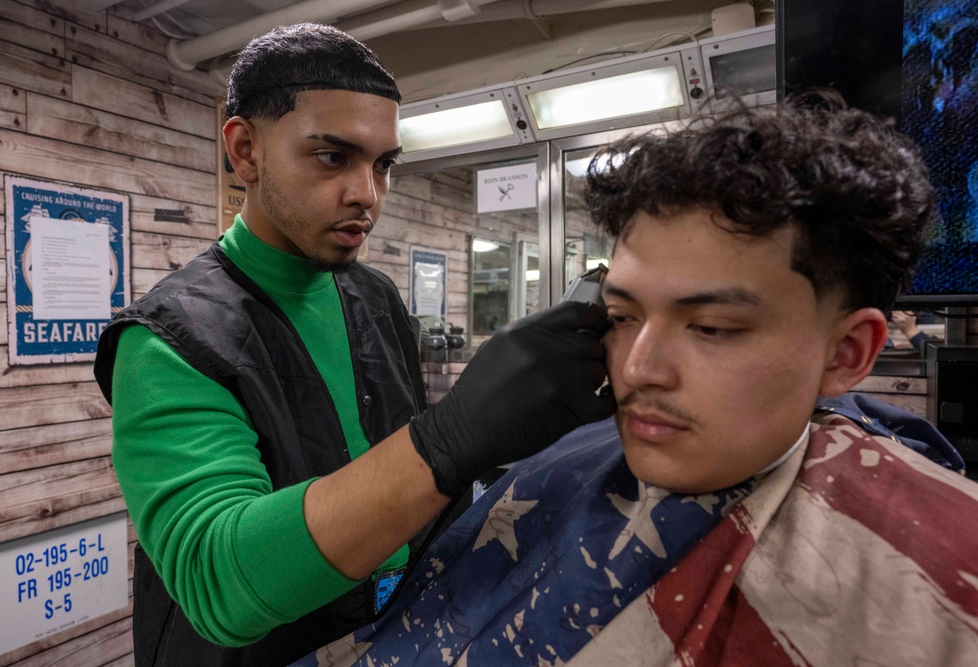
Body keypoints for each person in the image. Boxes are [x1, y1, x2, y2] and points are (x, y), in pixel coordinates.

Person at [297, 91, 978, 666]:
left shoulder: (942, 579)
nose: (639, 368)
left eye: (711, 327)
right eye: (621, 315)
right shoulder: (564, 461)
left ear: (849, 351)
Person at [93, 23, 614, 666]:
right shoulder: (168, 340)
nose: (367, 194)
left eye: (383, 164)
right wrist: (451, 441)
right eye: (332, 156)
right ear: (245, 149)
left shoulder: (373, 297)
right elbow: (219, 582)